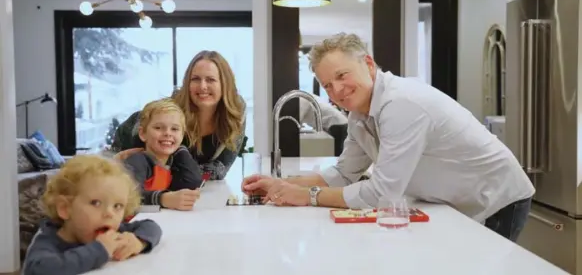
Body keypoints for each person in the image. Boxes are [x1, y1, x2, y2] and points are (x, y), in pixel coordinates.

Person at [242, 33, 535, 242]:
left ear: (368, 64)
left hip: (498, 199)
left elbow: (382, 195)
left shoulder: (402, 104)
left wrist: (307, 196)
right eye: (327, 85)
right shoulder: (359, 114)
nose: (337, 90)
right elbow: (344, 173)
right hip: (457, 202)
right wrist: (282, 185)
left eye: (343, 75)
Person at [110, 50, 247, 181]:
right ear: (187, 83)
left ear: (225, 84)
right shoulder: (172, 110)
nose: (202, 86)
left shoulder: (236, 112)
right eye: (195, 79)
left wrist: (182, 173)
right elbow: (150, 167)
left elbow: (220, 170)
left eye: (210, 80)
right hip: (126, 152)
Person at [22, 155, 163, 275]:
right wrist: (100, 250)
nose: (109, 213)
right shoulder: (48, 242)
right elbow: (39, 269)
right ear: (65, 208)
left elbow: (150, 226)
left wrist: (139, 241)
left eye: (117, 206)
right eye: (95, 203)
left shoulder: (106, 228)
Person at [124, 98, 202, 211]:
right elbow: (129, 196)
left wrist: (181, 149)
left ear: (182, 135)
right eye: (158, 128)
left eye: (175, 129)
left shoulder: (173, 163)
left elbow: (193, 181)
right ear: (143, 134)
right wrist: (163, 199)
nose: (167, 133)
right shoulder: (138, 161)